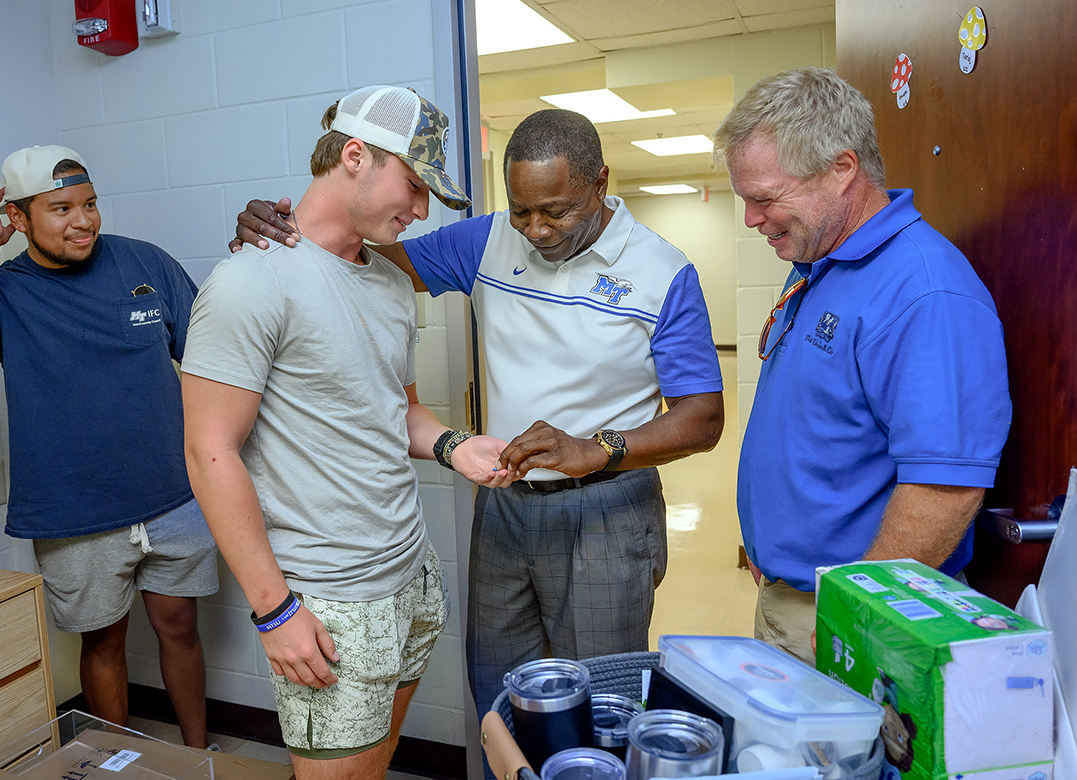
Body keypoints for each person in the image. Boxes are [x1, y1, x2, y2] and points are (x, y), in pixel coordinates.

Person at [231, 108, 726, 721]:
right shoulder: (490, 239)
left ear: (600, 185)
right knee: (500, 691)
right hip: (506, 506)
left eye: (557, 211)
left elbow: (703, 417)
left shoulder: (663, 271)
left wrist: (596, 448)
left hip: (607, 512)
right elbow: (361, 260)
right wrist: (283, 234)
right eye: (524, 210)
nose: (538, 230)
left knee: (601, 706)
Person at [181, 86, 511, 780]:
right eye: (415, 185)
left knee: (372, 767)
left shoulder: (389, 282)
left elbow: (398, 411)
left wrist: (456, 446)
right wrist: (275, 612)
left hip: (410, 574)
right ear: (355, 155)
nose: (420, 211)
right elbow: (210, 454)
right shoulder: (250, 281)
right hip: (329, 597)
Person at [712, 67, 1012, 665]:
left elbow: (943, 489)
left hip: (853, 617)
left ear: (842, 169)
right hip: (794, 598)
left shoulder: (924, 293)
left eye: (765, 198)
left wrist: (854, 619)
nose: (750, 219)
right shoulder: (821, 262)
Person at [0, 145, 217, 745]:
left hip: (172, 493)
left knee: (179, 626)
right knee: (104, 642)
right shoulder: (5, 290)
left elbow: (213, 358)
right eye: (60, 209)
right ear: (20, 219)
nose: (82, 220)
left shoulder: (145, 264)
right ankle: (116, 761)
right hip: (73, 509)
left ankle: (197, 754)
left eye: (89, 204)